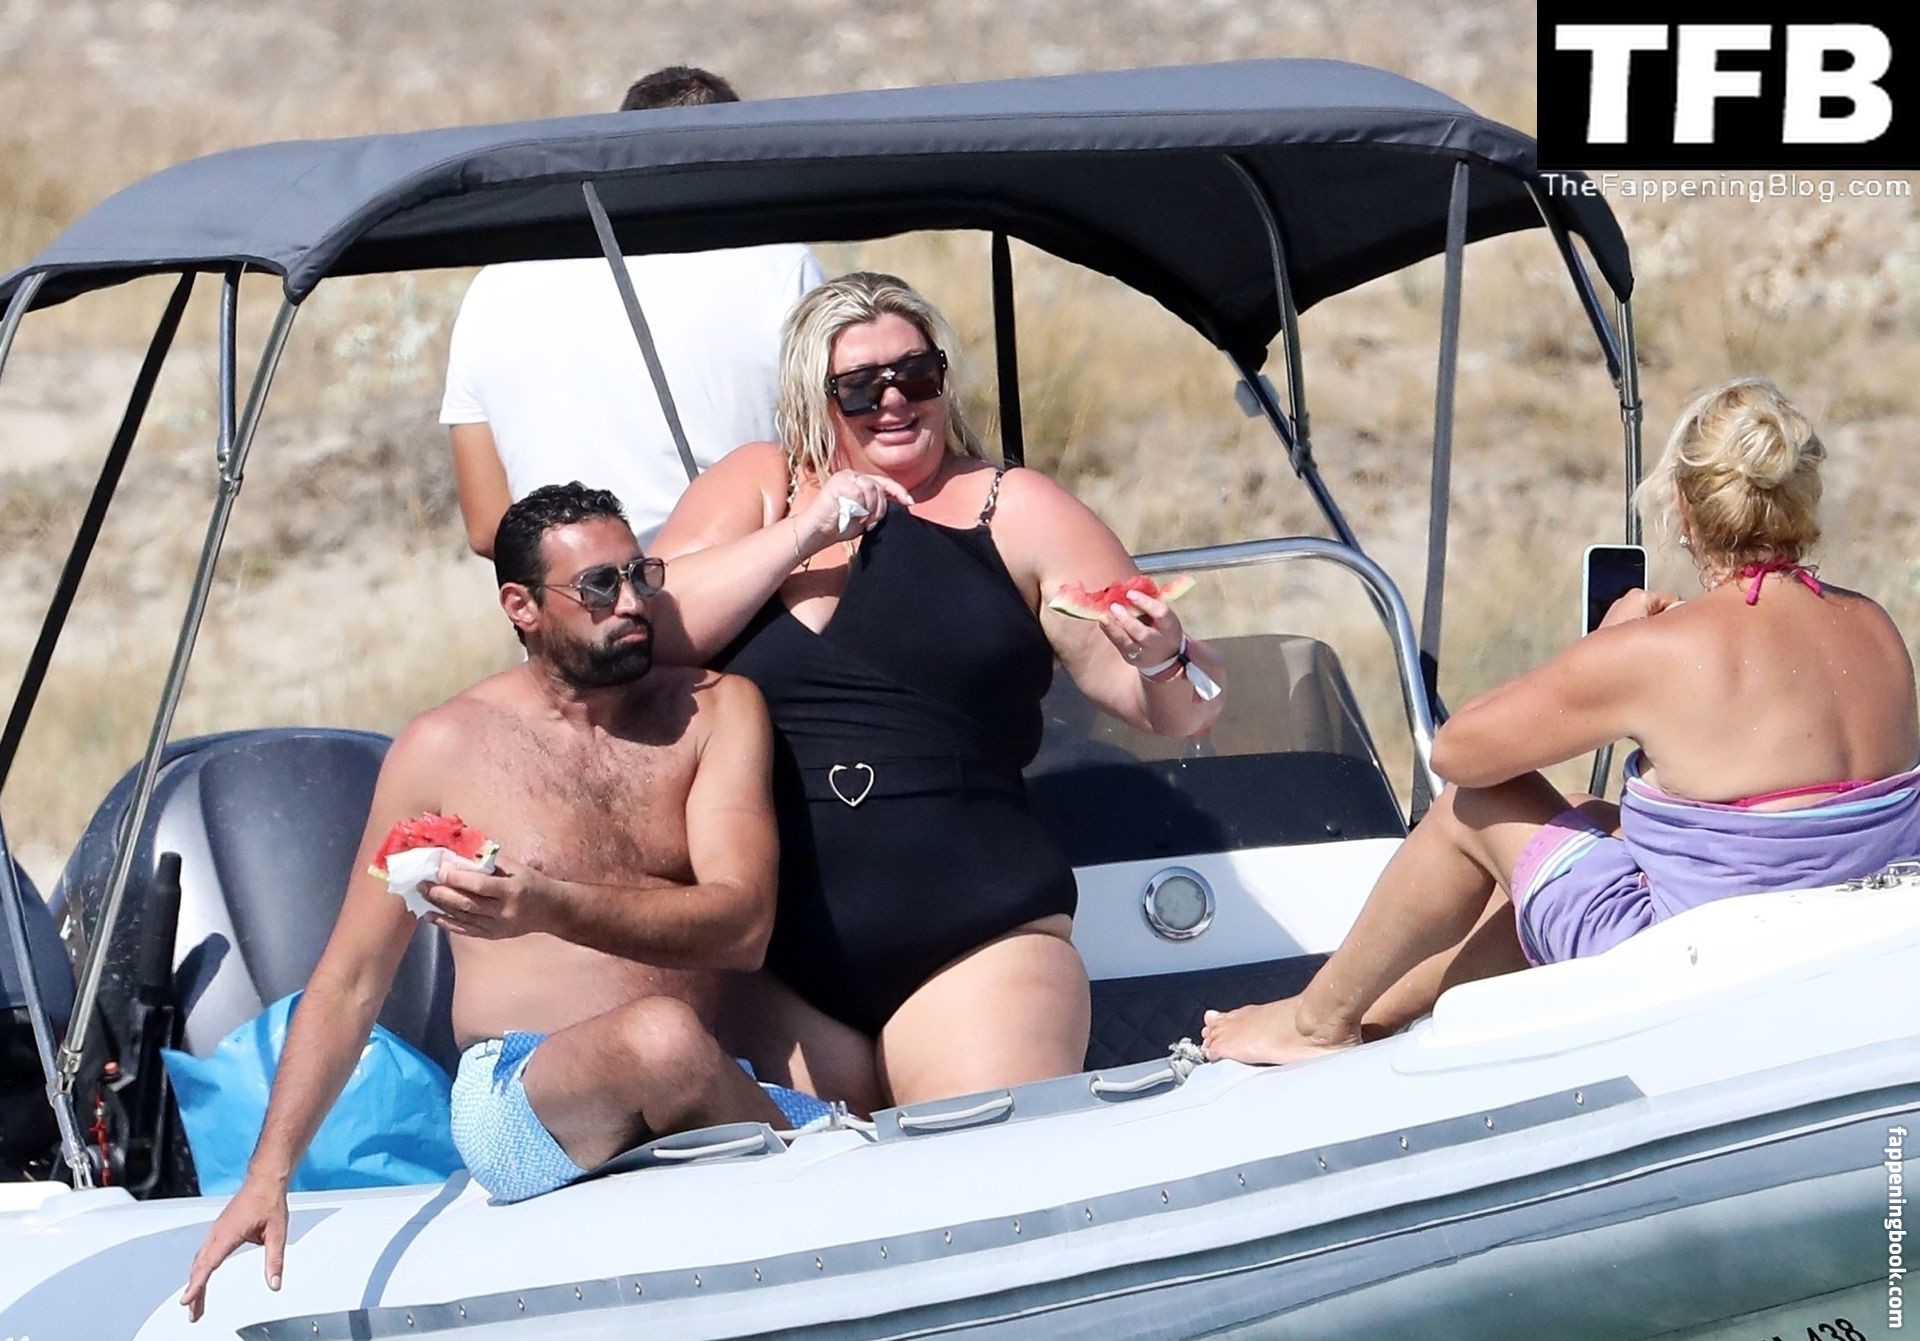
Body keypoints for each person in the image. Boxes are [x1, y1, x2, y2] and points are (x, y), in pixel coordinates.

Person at [182, 483, 822, 1321]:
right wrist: (267, 1177)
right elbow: (351, 978)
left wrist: (550, 905)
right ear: (522, 606)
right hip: (519, 1093)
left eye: (643, 574)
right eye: (599, 586)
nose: (634, 603)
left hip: (700, 1071)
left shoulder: (712, 710)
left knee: (717, 1056)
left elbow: (743, 926)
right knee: (661, 1039)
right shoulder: (443, 747)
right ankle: (814, 1191)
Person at [1202, 376, 1920, 1066]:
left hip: (1690, 973)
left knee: (1480, 805)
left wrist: (1605, 648)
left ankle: (1318, 1021)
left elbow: (1460, 752)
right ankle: (1387, 1017)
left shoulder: (1664, 651)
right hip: (1831, 949)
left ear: (1685, 505)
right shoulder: (1874, 626)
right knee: (1590, 819)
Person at [650, 272, 1227, 1113]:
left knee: (984, 1165)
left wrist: (1165, 657)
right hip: (776, 963)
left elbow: (1178, 708)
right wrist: (804, 530)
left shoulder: (1012, 505)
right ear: (813, 395)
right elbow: (655, 625)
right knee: (795, 1187)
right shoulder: (761, 485)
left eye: (916, 375)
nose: (894, 400)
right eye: (860, 386)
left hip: (976, 937)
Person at [441, 66, 825, 555]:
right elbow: (832, 460)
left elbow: (487, 525)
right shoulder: (781, 263)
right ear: (738, 154)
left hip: (567, 590)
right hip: (736, 576)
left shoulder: (494, 286)